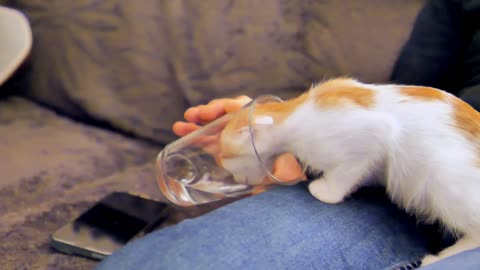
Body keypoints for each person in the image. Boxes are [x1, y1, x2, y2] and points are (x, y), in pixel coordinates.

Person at [96, 0, 480, 269]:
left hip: (460, 186)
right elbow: (393, 107)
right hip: (398, 187)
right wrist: (286, 139)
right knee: (167, 262)